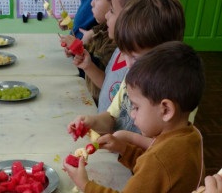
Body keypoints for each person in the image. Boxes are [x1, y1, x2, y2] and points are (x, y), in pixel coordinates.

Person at [64, 41, 205, 193]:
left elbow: (154, 166)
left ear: (166, 110)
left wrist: (86, 185)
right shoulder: (191, 135)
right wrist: (124, 149)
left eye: (136, 107)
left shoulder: (158, 160)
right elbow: (153, 174)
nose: (132, 113)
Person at [67, 0, 186, 138]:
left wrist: (126, 141)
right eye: (124, 54)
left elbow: (170, 149)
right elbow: (111, 118)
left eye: (135, 58)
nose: (128, 66)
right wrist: (92, 121)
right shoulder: (131, 76)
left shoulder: (179, 94)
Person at [72, 0, 167, 113]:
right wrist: (89, 66)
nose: (106, 16)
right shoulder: (120, 50)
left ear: (130, 18)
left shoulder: (142, 66)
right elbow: (109, 87)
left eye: (112, 10)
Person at [61, 0, 139, 105]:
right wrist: (78, 50)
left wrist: (85, 59)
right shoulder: (101, 30)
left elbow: (109, 88)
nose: (92, 3)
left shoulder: (118, 45)